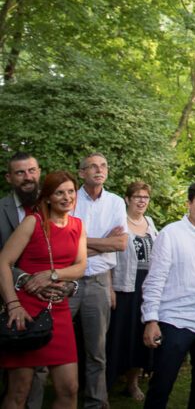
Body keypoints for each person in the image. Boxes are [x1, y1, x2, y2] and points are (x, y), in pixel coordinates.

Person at [0, 171, 87, 409]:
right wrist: (13, 305)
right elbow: (3, 262)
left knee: (69, 388)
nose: (67, 197)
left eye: (71, 192)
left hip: (58, 310)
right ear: (47, 197)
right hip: (26, 310)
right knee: (19, 390)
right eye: (59, 193)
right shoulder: (33, 222)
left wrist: (53, 274)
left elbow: (80, 266)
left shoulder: (78, 225)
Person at [141, 180, 195, 409]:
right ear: (189, 203)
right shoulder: (170, 234)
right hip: (175, 319)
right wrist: (151, 320)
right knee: (162, 384)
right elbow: (155, 280)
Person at [70, 152, 128, 409]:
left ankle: (95, 402)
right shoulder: (70, 199)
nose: (99, 170)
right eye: (92, 166)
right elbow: (62, 245)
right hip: (68, 280)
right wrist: (104, 243)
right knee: (53, 340)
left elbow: (121, 243)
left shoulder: (115, 202)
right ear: (82, 173)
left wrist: (80, 243)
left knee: (97, 350)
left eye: (103, 165)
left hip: (99, 282)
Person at [1, 153, 47, 408]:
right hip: (7, 296)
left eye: (31, 171)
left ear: (39, 172)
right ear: (9, 178)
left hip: (43, 296)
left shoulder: (52, 206)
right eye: (20, 172)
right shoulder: (1, 210)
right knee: (12, 368)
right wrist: (25, 278)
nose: (27, 177)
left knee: (40, 365)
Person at [106, 181, 158, 400]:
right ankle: (106, 385)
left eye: (145, 197)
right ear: (127, 199)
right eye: (137, 197)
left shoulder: (150, 222)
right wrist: (109, 287)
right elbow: (107, 257)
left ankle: (132, 382)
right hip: (124, 287)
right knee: (117, 336)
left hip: (146, 288)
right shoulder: (119, 224)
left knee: (140, 335)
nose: (142, 201)